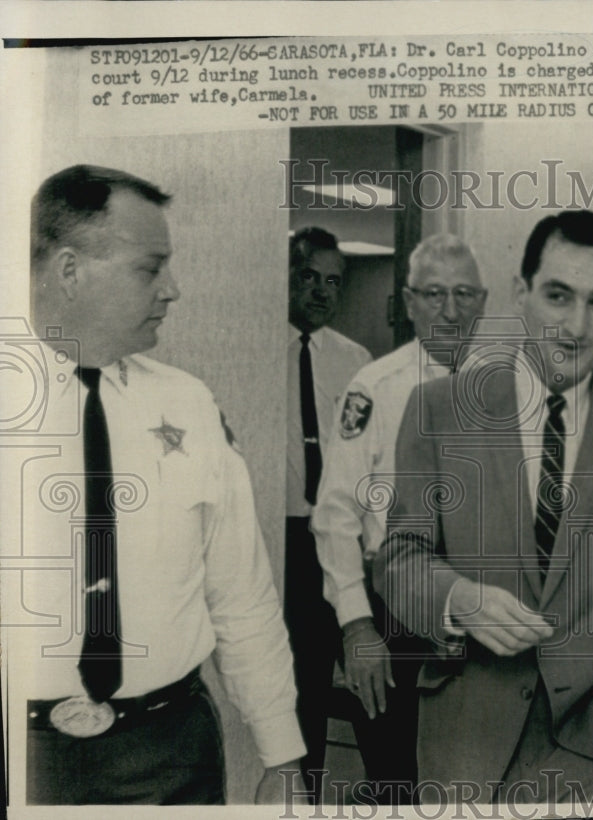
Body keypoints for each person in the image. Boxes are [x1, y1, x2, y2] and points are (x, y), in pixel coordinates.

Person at [374, 210, 593, 803]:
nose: (576, 325)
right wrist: (459, 599)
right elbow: (397, 560)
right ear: (521, 293)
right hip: (464, 743)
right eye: (558, 295)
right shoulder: (441, 409)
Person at [20, 165, 305, 804]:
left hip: (171, 757)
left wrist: (283, 753)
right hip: (23, 756)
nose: (172, 290)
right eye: (150, 270)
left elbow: (241, 595)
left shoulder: (190, 405)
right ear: (69, 272)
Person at [310, 234, 486, 803]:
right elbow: (336, 513)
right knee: (395, 778)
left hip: (483, 604)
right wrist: (357, 627)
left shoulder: (511, 388)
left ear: (483, 301)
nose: (450, 310)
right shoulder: (374, 388)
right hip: (395, 612)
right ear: (409, 303)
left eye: (464, 294)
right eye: (434, 294)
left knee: (475, 778)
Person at [284, 227, 371, 796]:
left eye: (333, 281)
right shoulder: (254, 350)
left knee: (355, 675)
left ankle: (390, 793)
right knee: (296, 683)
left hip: (340, 537)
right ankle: (305, 797)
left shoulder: (355, 361)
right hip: (284, 537)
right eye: (309, 277)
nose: (321, 292)